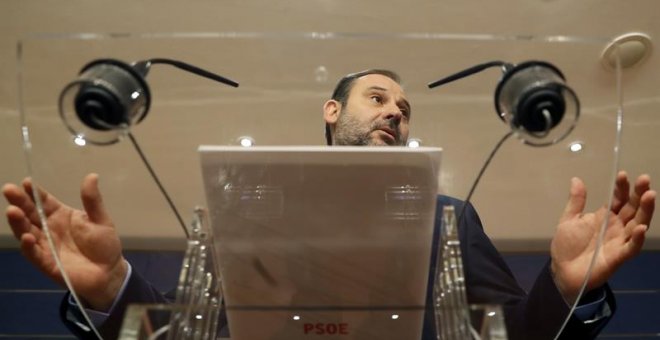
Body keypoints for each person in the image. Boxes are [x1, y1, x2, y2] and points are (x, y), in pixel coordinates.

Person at [3, 69, 655, 340]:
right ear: (332, 110)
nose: (396, 112)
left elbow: (511, 336)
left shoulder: (450, 216)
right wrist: (110, 288)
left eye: (404, 109)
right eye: (379, 98)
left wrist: (567, 288)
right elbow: (188, 333)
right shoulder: (245, 204)